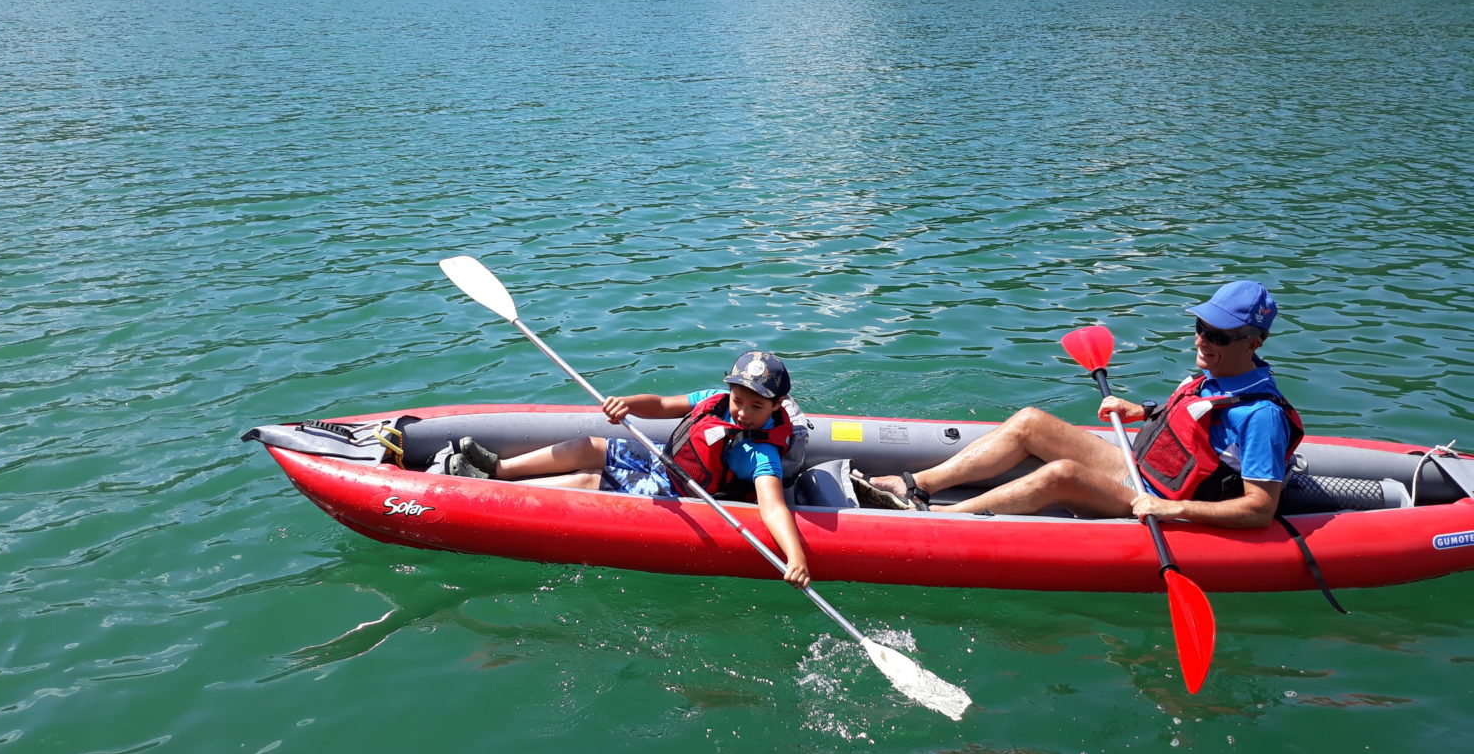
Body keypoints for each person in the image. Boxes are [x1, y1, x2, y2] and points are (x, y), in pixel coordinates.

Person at [869, 281, 1303, 529]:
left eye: (1219, 336)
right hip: (1143, 471)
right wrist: (1142, 410)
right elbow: (1197, 420)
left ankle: (938, 523)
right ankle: (917, 485)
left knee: (1061, 475)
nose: (1202, 341)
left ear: (1254, 343)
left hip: (1162, 502)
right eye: (1201, 327)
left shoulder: (1261, 416)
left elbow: (1259, 510)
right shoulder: (1215, 376)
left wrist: (1171, 508)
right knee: (1030, 422)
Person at [448, 351, 813, 587]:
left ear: (777, 405)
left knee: (590, 481)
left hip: (680, 495)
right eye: (738, 400)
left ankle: (497, 493)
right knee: (586, 446)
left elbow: (772, 505)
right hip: (663, 461)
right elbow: (661, 404)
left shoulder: (758, 452)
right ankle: (501, 469)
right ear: (728, 389)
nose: (743, 412)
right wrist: (626, 404)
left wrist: (795, 557)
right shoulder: (714, 401)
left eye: (756, 407)